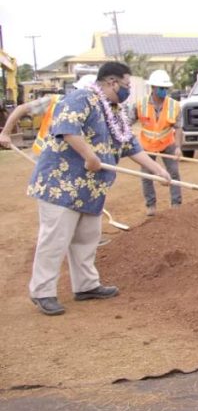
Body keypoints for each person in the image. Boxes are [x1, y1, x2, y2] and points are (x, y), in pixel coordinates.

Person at [20, 62, 171, 316]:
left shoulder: (115, 110)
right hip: (62, 186)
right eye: (126, 85)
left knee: (86, 239)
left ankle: (86, 285)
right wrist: (89, 156)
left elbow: (130, 145)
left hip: (90, 190)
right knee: (55, 240)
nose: (127, 90)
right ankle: (43, 291)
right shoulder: (82, 98)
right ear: (112, 83)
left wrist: (157, 170)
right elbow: (67, 129)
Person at [129, 69, 183, 216]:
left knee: (174, 173)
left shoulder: (174, 105)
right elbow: (128, 122)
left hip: (167, 142)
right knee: (147, 175)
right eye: (161, 88)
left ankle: (176, 203)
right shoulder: (140, 104)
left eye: (166, 88)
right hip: (147, 144)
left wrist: (178, 147)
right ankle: (151, 205)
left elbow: (178, 127)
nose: (164, 91)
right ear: (153, 88)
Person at [0, 74, 96, 153]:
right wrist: (5, 133)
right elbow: (21, 109)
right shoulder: (54, 101)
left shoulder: (97, 110)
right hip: (47, 155)